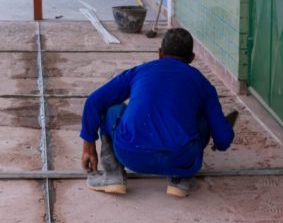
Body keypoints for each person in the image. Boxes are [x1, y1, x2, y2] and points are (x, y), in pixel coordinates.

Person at [80, 28, 238, 198]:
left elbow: (93, 101)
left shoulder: (140, 72)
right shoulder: (202, 83)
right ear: (191, 58)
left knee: (111, 108)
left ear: (160, 53)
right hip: (180, 158)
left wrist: (88, 146)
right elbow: (223, 137)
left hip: (130, 154)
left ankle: (113, 176)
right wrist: (219, 143)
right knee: (204, 118)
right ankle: (180, 179)